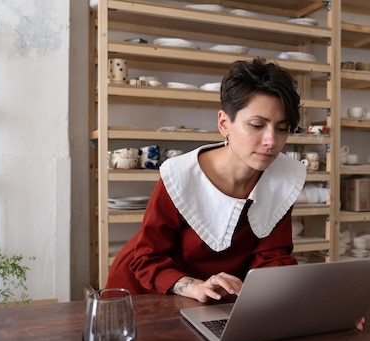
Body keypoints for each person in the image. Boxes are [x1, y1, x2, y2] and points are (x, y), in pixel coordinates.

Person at [107, 57, 306, 304]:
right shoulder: (182, 176)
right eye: (257, 125)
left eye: (282, 128)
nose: (271, 141)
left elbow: (272, 256)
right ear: (224, 124)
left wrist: (311, 303)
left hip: (216, 300)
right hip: (148, 294)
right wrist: (194, 287)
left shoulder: (282, 176)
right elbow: (148, 258)